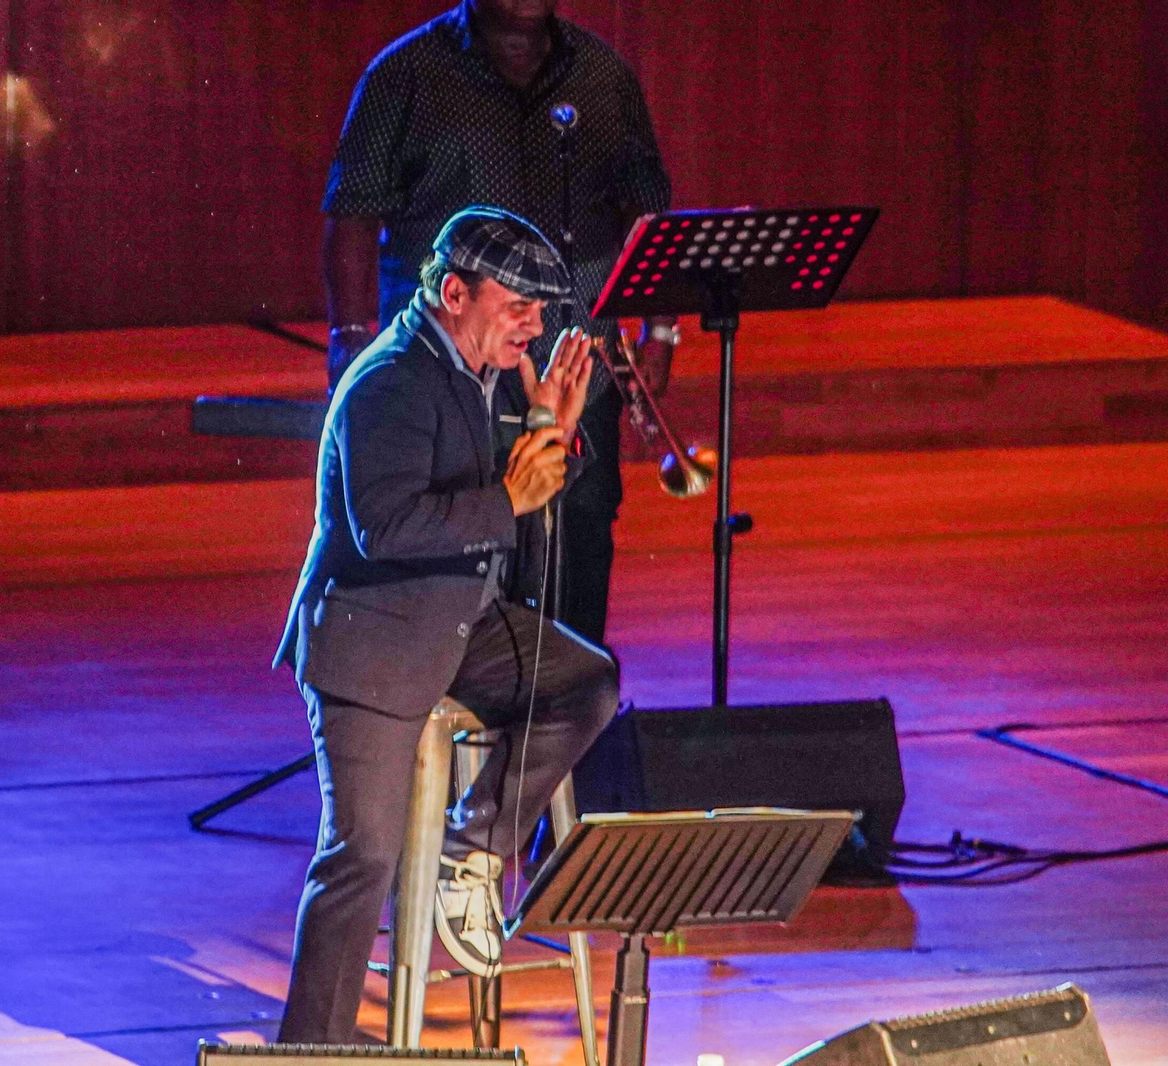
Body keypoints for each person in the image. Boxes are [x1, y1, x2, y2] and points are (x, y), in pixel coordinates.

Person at [273, 207, 620, 1044]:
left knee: (584, 680)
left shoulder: (477, 369)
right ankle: (309, 1049)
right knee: (363, 859)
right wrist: (509, 498)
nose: (534, 326)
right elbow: (382, 527)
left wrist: (550, 430)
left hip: (458, 625)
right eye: (518, 306)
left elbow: (512, 495)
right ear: (454, 292)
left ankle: (476, 847)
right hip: (375, 644)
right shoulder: (390, 381)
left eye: (542, 310)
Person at [321, 0, 679, 645]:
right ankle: (452, 730)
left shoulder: (604, 76)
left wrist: (659, 330)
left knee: (580, 535)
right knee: (460, 545)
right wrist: (349, 352)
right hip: (451, 379)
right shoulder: (405, 74)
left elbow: (645, 210)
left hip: (574, 368)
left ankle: (567, 715)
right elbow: (351, 215)